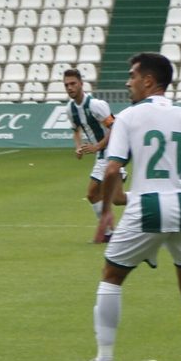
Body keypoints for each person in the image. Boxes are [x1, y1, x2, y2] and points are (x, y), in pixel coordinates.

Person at [84, 53, 181, 361]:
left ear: (149, 80)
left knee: (111, 274)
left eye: (133, 76)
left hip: (148, 204)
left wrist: (106, 210)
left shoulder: (129, 117)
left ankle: (105, 360)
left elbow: (111, 169)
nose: (128, 82)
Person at [62, 67, 127, 243]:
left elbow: (115, 129)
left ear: (81, 84)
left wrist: (97, 146)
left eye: (73, 83)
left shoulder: (96, 105)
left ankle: (144, 201)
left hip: (113, 151)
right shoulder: (70, 108)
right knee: (104, 196)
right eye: (66, 85)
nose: (69, 88)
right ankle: (107, 233)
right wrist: (78, 147)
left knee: (114, 198)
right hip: (101, 154)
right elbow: (76, 129)